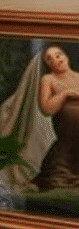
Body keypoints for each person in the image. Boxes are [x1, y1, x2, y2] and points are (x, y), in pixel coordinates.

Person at [33, 45, 79, 190]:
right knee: (57, 175)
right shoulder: (48, 79)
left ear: (66, 56)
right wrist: (65, 94)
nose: (55, 60)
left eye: (58, 55)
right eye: (49, 59)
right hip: (66, 134)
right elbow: (46, 109)